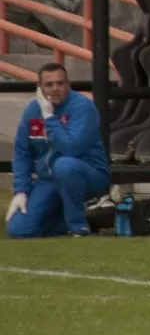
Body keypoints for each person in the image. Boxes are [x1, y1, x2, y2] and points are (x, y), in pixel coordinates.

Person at [6, 63, 110, 238]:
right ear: (40, 88)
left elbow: (72, 148)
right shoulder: (32, 110)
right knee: (18, 230)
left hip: (88, 175)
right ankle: (86, 219)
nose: (55, 89)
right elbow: (23, 152)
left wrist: (49, 117)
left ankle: (78, 227)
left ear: (68, 84)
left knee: (64, 165)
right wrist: (21, 190)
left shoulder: (82, 106)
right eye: (49, 84)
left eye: (60, 83)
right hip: (49, 180)